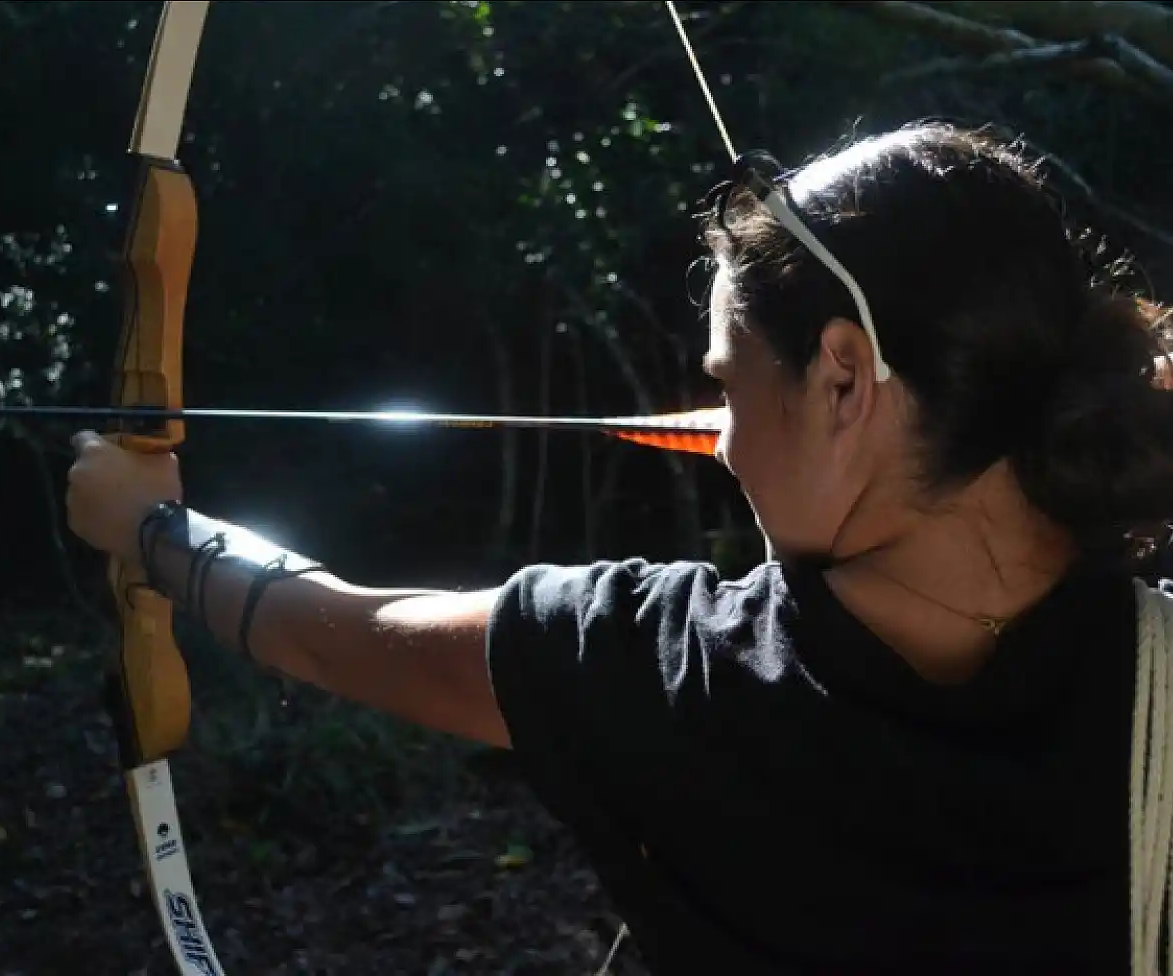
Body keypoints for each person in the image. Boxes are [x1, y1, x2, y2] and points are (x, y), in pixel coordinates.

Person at [67, 123, 1173, 974]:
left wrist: (146, 527)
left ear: (843, 377)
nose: (723, 441)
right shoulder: (1154, 673)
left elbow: (338, 630)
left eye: (729, 386)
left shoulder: (665, 668)